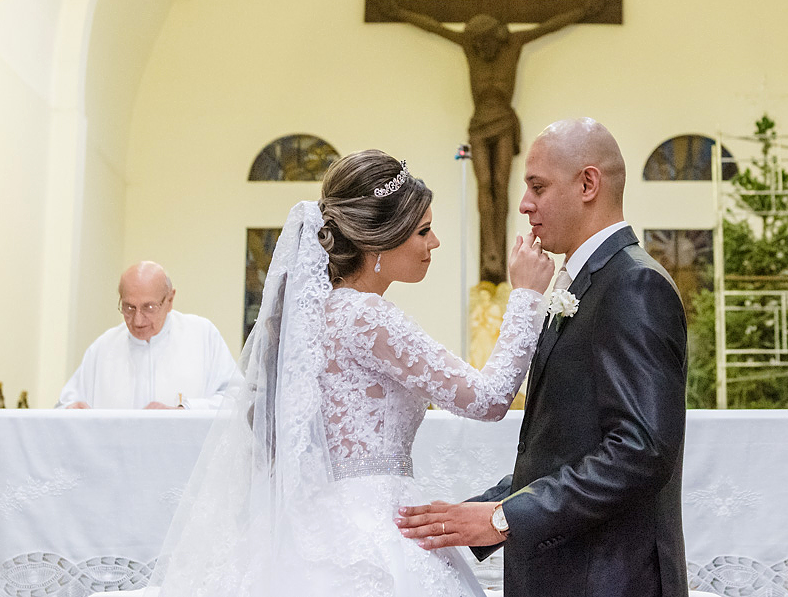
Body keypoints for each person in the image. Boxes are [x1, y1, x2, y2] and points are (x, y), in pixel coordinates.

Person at [143, 150, 554, 597]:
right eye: (423, 231)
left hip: (316, 522)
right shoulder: (367, 317)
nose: (434, 242)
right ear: (379, 242)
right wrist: (526, 296)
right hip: (372, 528)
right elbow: (488, 399)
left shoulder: (316, 316)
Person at [396, 119, 689, 597]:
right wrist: (472, 516)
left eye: (538, 187)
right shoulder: (585, 282)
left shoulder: (634, 284)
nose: (523, 204)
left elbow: (641, 450)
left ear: (588, 184)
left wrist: (503, 518)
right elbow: (562, 448)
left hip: (609, 580)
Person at [378, 0, 605, 283]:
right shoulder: (470, 49)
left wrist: (583, 11)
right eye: (477, 44)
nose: (482, 48)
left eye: (486, 42)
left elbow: (548, 26)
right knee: (484, 184)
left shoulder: (514, 45)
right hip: (479, 125)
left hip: (504, 123)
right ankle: (491, 252)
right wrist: (399, 11)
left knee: (500, 183)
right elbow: (435, 27)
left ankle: (496, 248)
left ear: (496, 38)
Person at [57, 262, 239, 410]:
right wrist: (72, 409)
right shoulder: (104, 347)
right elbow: (64, 406)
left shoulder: (202, 336)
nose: (137, 320)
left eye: (149, 307)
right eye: (129, 307)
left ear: (170, 300)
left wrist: (185, 410)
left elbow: (237, 400)